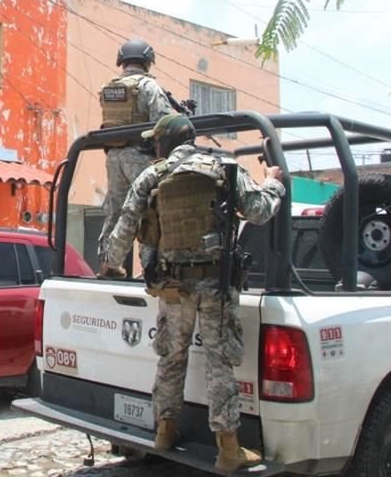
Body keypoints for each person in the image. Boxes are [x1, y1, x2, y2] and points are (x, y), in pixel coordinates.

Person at [102, 113, 284, 472]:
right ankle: (228, 448)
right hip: (215, 285)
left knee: (171, 357)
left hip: (172, 285)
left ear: (168, 140)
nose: (154, 144)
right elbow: (260, 211)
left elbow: (124, 225)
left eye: (156, 140)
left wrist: (111, 264)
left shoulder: (152, 174)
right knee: (219, 363)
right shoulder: (223, 167)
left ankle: (165, 431)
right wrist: (273, 183)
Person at [96, 39, 173, 279]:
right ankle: (149, 267)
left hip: (113, 157)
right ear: (148, 61)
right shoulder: (148, 86)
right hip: (139, 155)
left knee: (116, 210)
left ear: (123, 60)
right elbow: (163, 121)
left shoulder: (107, 88)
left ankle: (108, 263)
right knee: (148, 209)